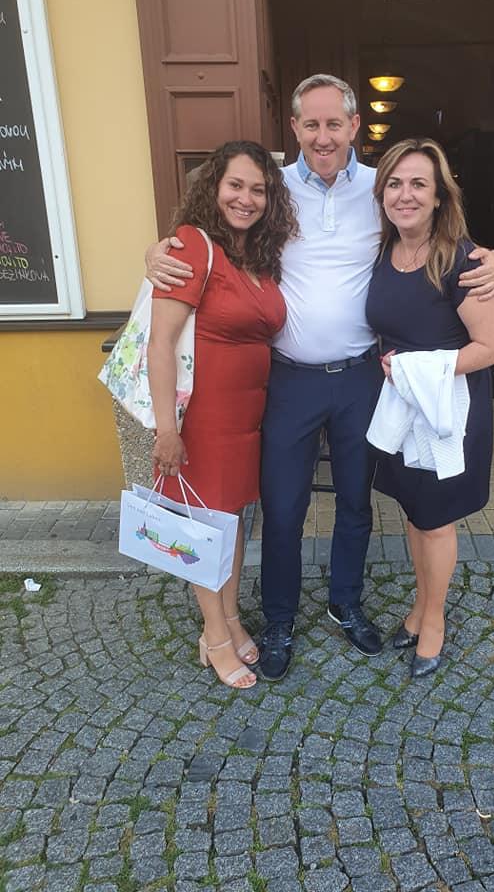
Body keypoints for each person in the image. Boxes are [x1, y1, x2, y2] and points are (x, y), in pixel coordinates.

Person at [145, 74, 494, 683]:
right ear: (294, 128)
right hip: (289, 379)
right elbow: (213, 231)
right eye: (310, 124)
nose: (323, 136)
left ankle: (346, 603)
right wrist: (157, 252)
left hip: (362, 377)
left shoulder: (382, 187)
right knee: (283, 507)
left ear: (354, 126)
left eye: (334, 123)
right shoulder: (271, 188)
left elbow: (435, 234)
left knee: (356, 503)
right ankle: (279, 619)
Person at [147, 140, 297, 689]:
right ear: (214, 187)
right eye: (235, 185)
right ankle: (213, 637)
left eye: (258, 190)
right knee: (206, 528)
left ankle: (230, 617)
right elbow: (160, 344)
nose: (246, 198)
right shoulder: (192, 244)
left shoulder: (255, 256)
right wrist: (168, 430)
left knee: (229, 523)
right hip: (203, 419)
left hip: (246, 420)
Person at [365, 138, 494, 678]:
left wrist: (418, 368)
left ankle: (435, 621)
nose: (405, 195)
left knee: (437, 521)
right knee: (413, 512)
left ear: (439, 196)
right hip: (404, 408)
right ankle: (419, 608)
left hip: (449, 412)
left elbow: (492, 347)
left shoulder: (462, 261)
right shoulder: (385, 251)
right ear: (382, 194)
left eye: (418, 184)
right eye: (395, 184)